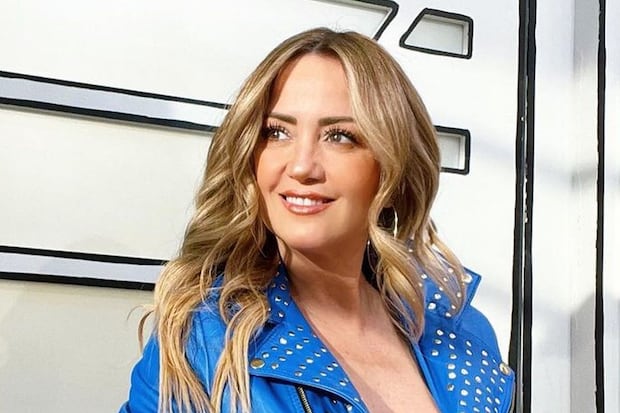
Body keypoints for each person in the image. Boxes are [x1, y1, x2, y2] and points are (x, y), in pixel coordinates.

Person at [120, 28, 514, 413]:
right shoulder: (205, 341)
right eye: (277, 132)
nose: (302, 166)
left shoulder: (462, 335)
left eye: (339, 136)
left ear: (392, 168)